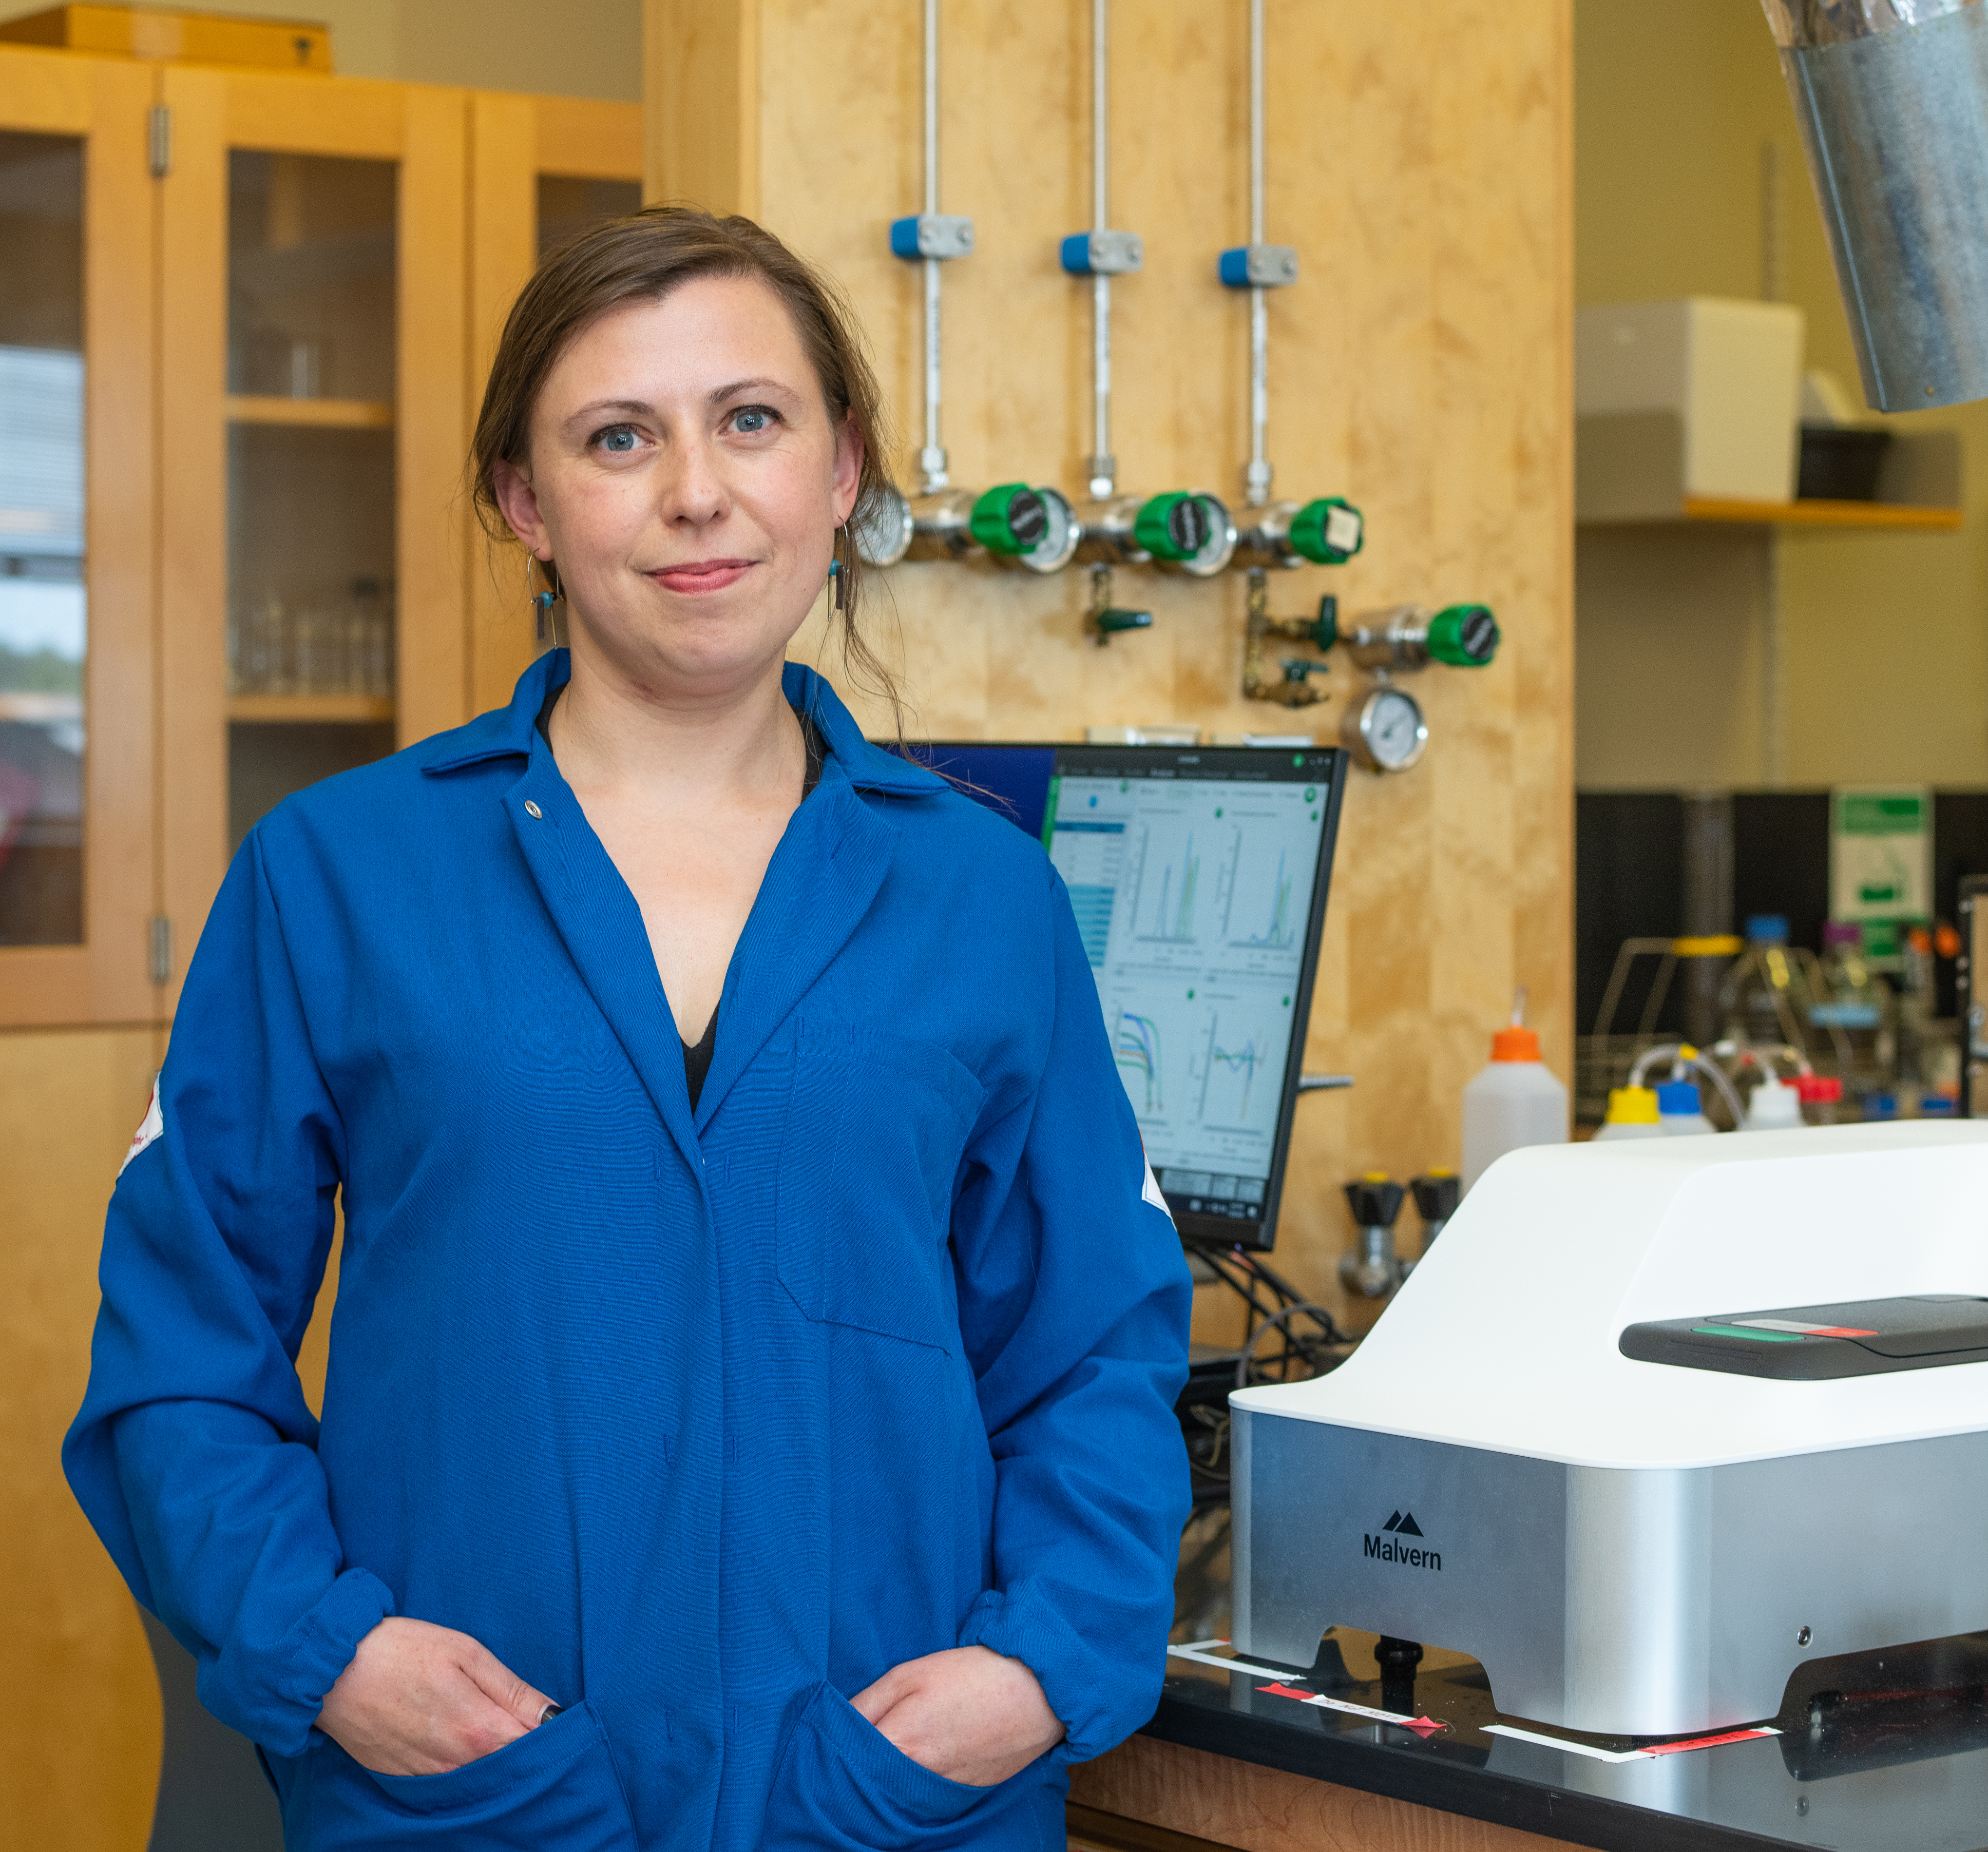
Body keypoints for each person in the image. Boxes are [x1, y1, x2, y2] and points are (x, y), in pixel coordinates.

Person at [64, 205, 1192, 1851]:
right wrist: (336, 1654)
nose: (696, 492)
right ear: (524, 502)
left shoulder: (983, 898)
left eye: (751, 420)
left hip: (873, 1792)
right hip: (481, 1794)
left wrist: (1037, 1672)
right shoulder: (338, 875)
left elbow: (1091, 1352)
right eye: (617, 438)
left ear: (840, 469)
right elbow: (181, 1364)